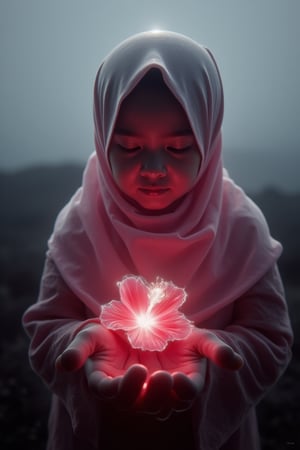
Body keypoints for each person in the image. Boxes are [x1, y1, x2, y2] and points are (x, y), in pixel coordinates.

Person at [22, 30, 293, 450]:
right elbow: (46, 328)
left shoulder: (241, 228)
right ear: (102, 134)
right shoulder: (79, 226)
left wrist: (218, 354)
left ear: (209, 135)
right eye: (128, 146)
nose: (153, 167)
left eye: (179, 146)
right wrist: (82, 344)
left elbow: (271, 338)